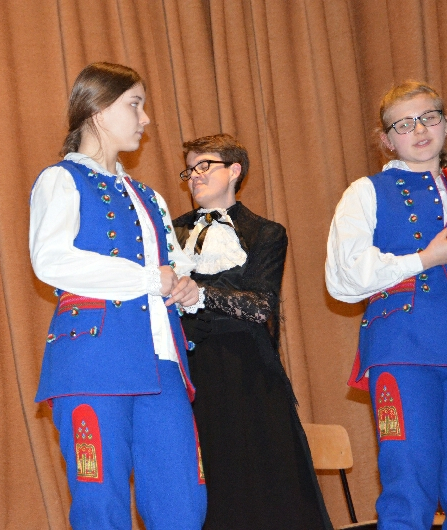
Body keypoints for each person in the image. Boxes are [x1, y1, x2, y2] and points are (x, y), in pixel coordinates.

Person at [29, 62, 206, 529]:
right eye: (135, 104)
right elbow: (52, 261)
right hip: (94, 360)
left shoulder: (150, 196)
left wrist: (185, 289)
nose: (145, 118)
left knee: (182, 503)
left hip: (162, 363)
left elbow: (172, 268)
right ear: (98, 110)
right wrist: (151, 279)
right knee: (101, 505)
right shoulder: (61, 180)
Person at [326, 81, 447, 529]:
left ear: (446, 125)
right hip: (403, 349)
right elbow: (344, 278)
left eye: (428, 117)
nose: (419, 130)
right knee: (409, 476)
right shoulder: (365, 193)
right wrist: (425, 258)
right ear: (387, 140)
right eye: (403, 124)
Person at [172, 133, 332, 530]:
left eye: (204, 165)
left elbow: (260, 306)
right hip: (189, 369)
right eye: (189, 170)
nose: (195, 176)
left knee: (267, 481)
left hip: (248, 369)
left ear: (234, 170)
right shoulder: (171, 233)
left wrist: (200, 293)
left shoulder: (265, 232)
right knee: (206, 481)